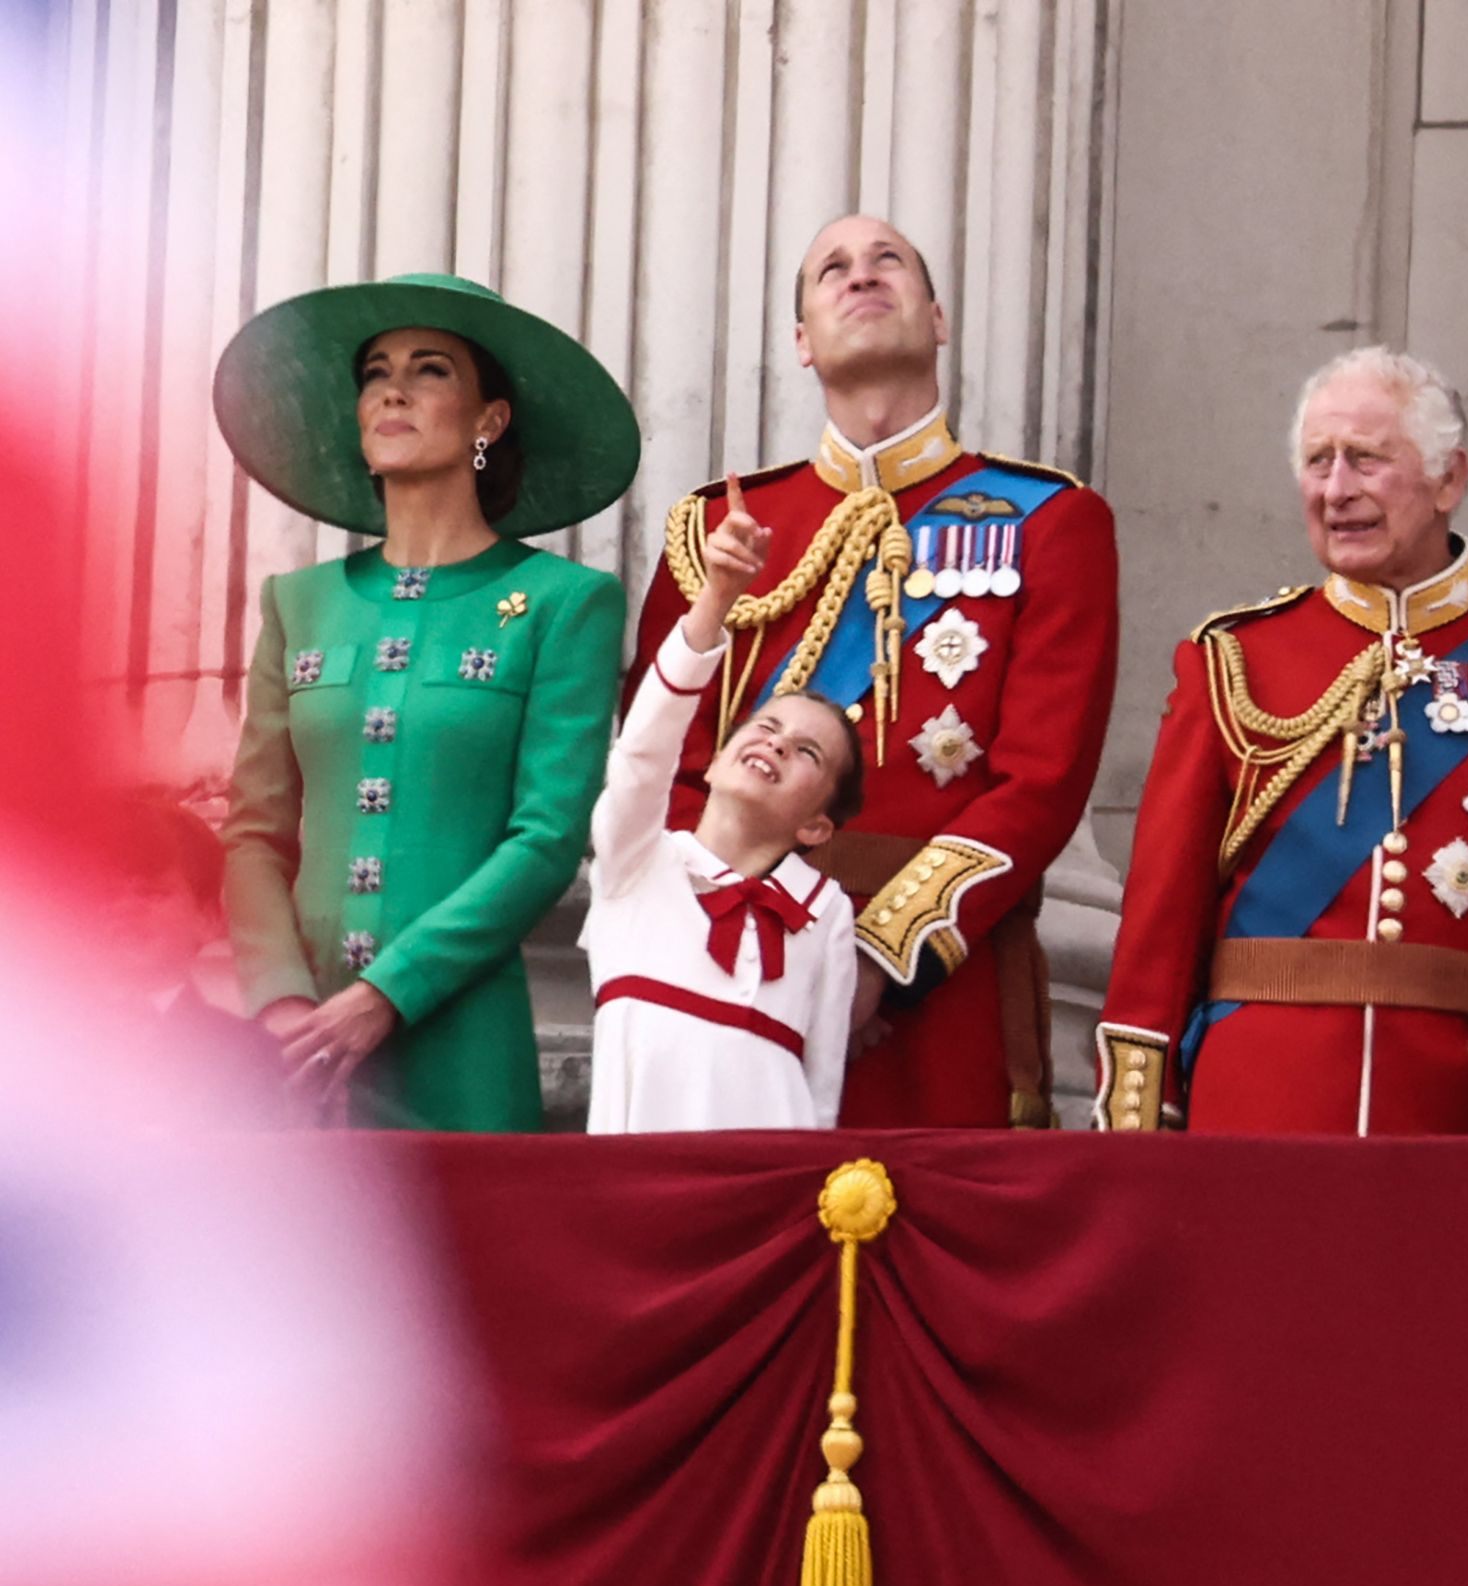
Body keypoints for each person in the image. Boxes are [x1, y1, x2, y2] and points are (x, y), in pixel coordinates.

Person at [1095, 345, 1468, 1136]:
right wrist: (1134, 1132)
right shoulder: (1230, 661)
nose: (1335, 490)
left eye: (1365, 460)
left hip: (1465, 1119)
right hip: (1255, 1109)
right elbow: (1158, 929)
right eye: (1316, 461)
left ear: (1449, 479)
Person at [626, 215, 1119, 1129]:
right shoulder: (715, 530)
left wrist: (881, 957)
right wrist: (745, 927)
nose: (862, 275)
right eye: (832, 269)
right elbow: (661, 761)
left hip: (936, 990)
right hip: (734, 963)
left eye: (887, 260)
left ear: (935, 319)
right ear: (804, 344)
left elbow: (1041, 782)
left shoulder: (1051, 520)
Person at [215, 273, 638, 1130]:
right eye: (375, 371)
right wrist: (282, 1005)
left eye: (431, 369)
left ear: (490, 419)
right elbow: (254, 832)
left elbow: (548, 835)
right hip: (297, 1059)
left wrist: (386, 993)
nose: (393, 389)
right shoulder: (298, 602)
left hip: (462, 1041)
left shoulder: (563, 601)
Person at [585, 477, 861, 1133]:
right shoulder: (637, 861)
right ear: (711, 760)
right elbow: (642, 750)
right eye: (763, 727)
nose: (776, 743)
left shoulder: (824, 911)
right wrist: (716, 597)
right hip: (636, 1188)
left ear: (815, 823)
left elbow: (820, 1095)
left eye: (807, 753)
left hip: (762, 1193)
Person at [91, 788, 292, 1128]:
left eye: (151, 892)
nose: (125, 910)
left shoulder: (247, 1056)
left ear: (209, 918)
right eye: (107, 893)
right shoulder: (33, 1037)